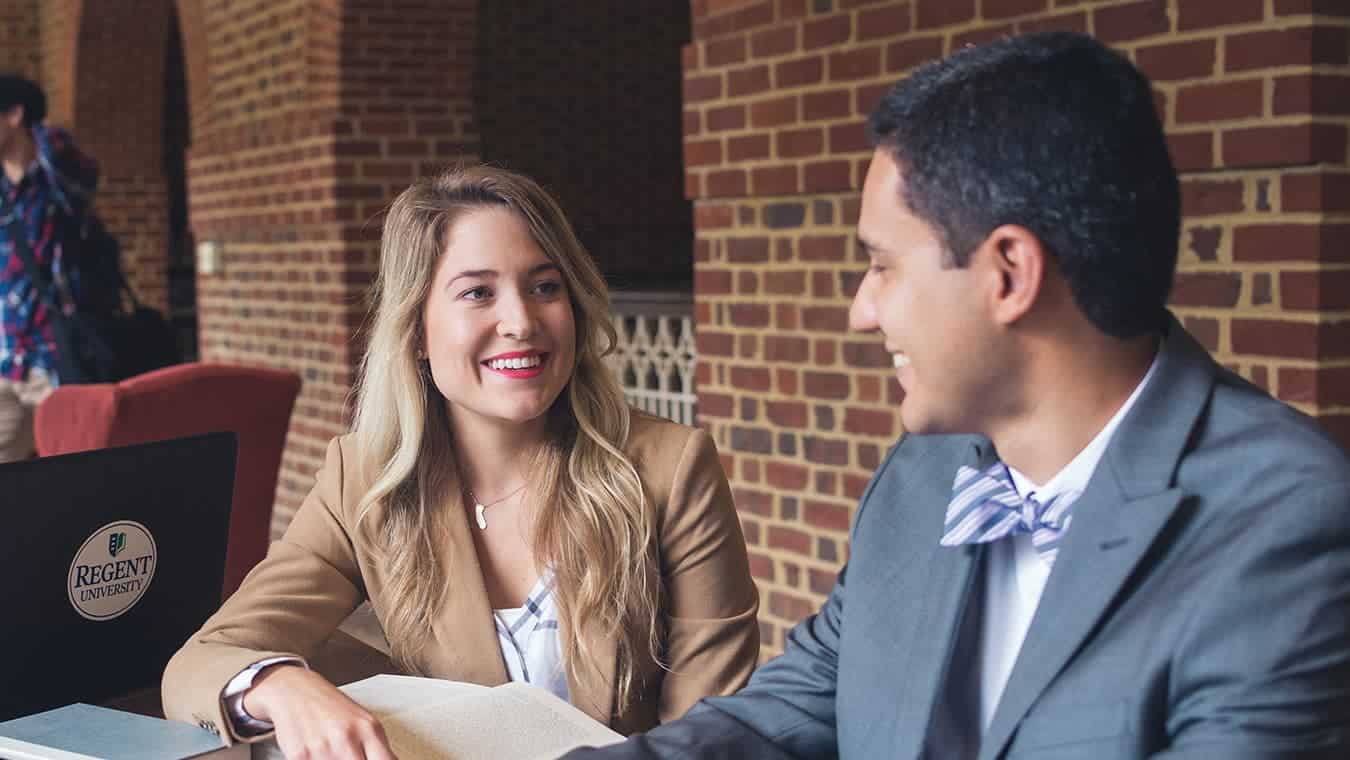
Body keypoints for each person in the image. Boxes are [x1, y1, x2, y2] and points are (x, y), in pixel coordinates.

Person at [564, 31, 1350, 760]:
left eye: (883, 265)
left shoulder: (1284, 523)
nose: (861, 309)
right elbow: (802, 702)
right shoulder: (928, 471)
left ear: (1009, 273)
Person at [161, 166, 760, 757]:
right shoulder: (363, 483)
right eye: (478, 293)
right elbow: (198, 665)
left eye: (545, 286)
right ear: (417, 331)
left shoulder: (670, 469)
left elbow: (708, 737)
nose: (521, 321)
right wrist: (279, 684)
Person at [0, 73, 100, 462]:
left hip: (56, 360)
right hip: (8, 359)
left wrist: (36, 131)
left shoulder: (56, 179)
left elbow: (69, 163)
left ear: (13, 115)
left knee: (74, 477)